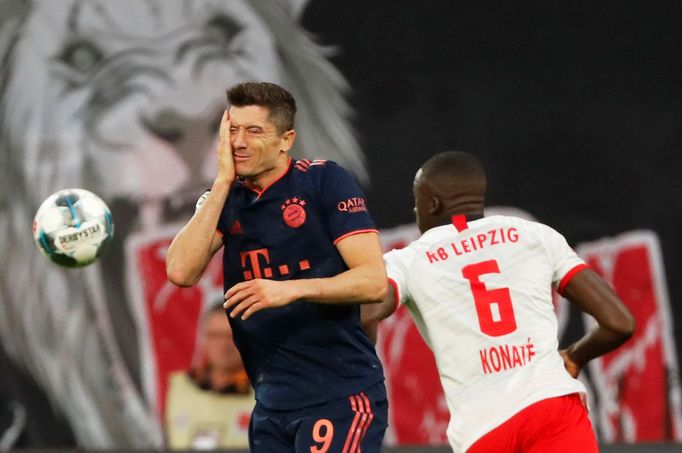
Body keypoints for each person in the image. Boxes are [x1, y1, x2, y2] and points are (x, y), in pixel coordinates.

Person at [166, 81, 388, 452]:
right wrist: (221, 183)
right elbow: (180, 272)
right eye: (233, 129)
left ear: (286, 140)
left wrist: (290, 288)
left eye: (254, 131)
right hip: (271, 406)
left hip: (338, 394)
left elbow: (373, 282)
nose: (239, 142)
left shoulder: (324, 181)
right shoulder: (228, 198)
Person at [363, 151, 635, 452]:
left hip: (482, 430)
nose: (415, 211)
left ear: (433, 204)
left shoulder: (409, 259)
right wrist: (574, 356)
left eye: (417, 202)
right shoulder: (535, 235)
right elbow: (619, 323)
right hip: (551, 405)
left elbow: (366, 311)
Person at [165, 303, 254, 450]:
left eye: (230, 336)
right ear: (204, 338)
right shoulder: (180, 385)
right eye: (215, 335)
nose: (223, 345)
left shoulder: (263, 390)